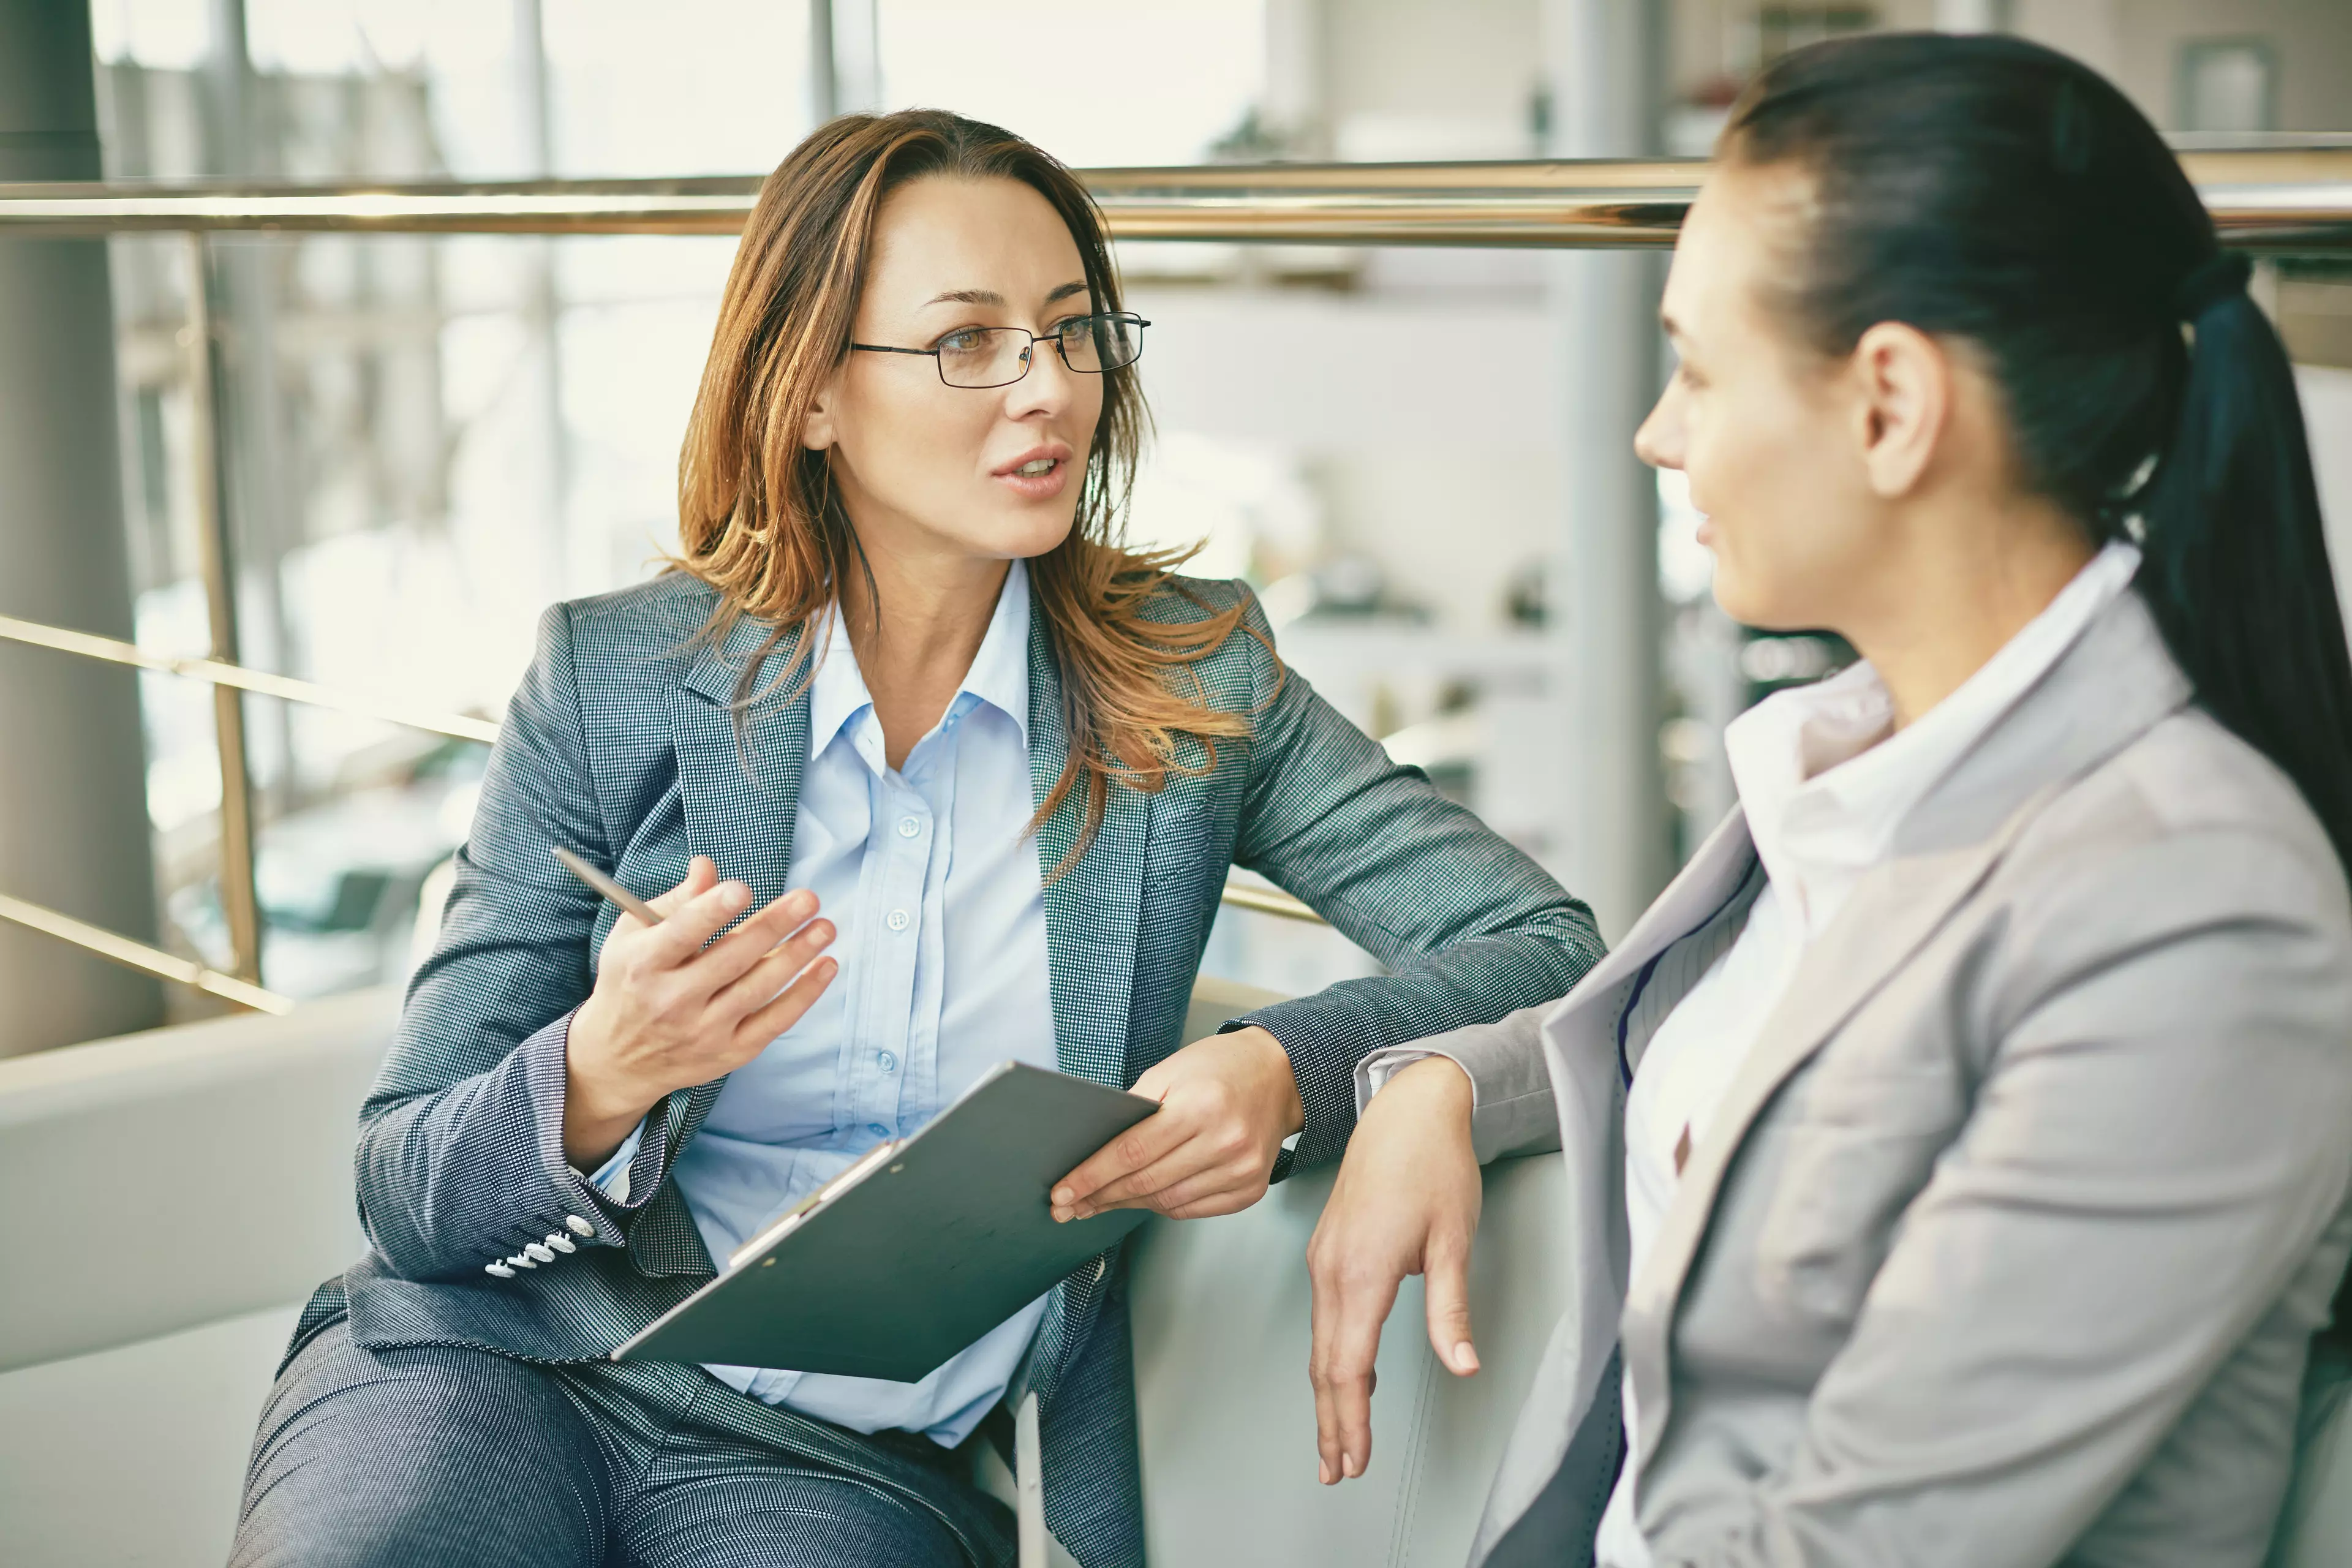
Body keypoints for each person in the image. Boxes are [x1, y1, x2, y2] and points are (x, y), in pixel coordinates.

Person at [226, 111, 1600, 1568]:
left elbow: (1544, 941)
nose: (1048, 390)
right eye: (970, 343)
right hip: (500, 1365)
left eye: (1075, 333)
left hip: (842, 1461)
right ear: (813, 392)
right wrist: (603, 1069)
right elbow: (405, 1184)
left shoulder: (1196, 684)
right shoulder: (609, 681)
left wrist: (1294, 1068)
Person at [1303, 32, 2352, 1568]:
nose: (1658, 433)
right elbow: (1746, 1053)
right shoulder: (1858, 765)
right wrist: (1443, 1078)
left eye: (1699, 367)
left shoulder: (2195, 905)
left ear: (1888, 407)